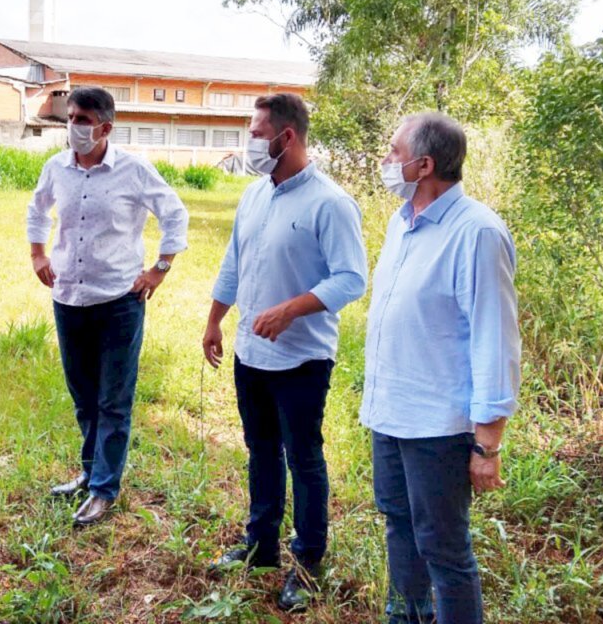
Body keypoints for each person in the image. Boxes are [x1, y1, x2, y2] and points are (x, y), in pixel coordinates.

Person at [203, 93, 367, 611]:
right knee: (260, 450)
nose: (249, 142)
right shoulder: (254, 195)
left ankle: (307, 559)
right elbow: (235, 260)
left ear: (286, 137)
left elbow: (351, 278)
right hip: (250, 353)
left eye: (255, 133)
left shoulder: (330, 202)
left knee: (304, 458)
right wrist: (213, 320)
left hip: (301, 358)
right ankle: (261, 545)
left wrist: (290, 309)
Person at [361, 113, 520, 624]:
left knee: (445, 550)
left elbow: (495, 339)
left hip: (439, 425)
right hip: (391, 413)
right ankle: (405, 617)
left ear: (423, 164)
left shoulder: (477, 233)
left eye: (392, 151)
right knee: (399, 526)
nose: (385, 161)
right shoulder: (401, 221)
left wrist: (486, 443)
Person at [27, 86, 189, 527]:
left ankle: (104, 489)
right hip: (69, 298)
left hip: (119, 301)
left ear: (105, 127)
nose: (73, 127)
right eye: (70, 118)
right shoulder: (56, 168)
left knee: (113, 400)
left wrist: (159, 268)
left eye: (82, 119)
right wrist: (38, 254)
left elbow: (174, 214)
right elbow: (37, 210)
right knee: (83, 396)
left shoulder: (133, 171)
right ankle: (89, 471)